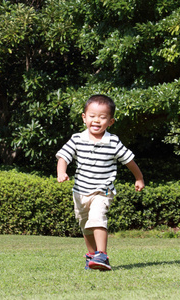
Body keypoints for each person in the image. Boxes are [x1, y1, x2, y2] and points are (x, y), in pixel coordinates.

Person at [56, 94, 145, 271]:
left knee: (97, 218)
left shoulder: (113, 142)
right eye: (92, 116)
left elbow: (129, 161)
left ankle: (102, 255)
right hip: (80, 192)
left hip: (102, 190)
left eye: (102, 117)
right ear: (84, 117)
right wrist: (61, 172)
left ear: (110, 122)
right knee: (86, 227)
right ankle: (91, 256)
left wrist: (139, 178)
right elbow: (63, 157)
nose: (96, 121)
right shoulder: (77, 139)